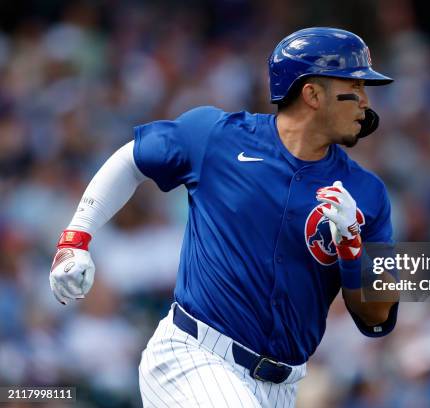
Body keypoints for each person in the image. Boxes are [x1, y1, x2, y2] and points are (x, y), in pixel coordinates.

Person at [49, 27, 399, 407]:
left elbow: (376, 316)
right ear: (312, 94)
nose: (365, 101)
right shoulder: (218, 137)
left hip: (281, 387)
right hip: (194, 357)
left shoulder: (367, 194)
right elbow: (132, 159)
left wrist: (352, 249)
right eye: (355, 86)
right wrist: (75, 238)